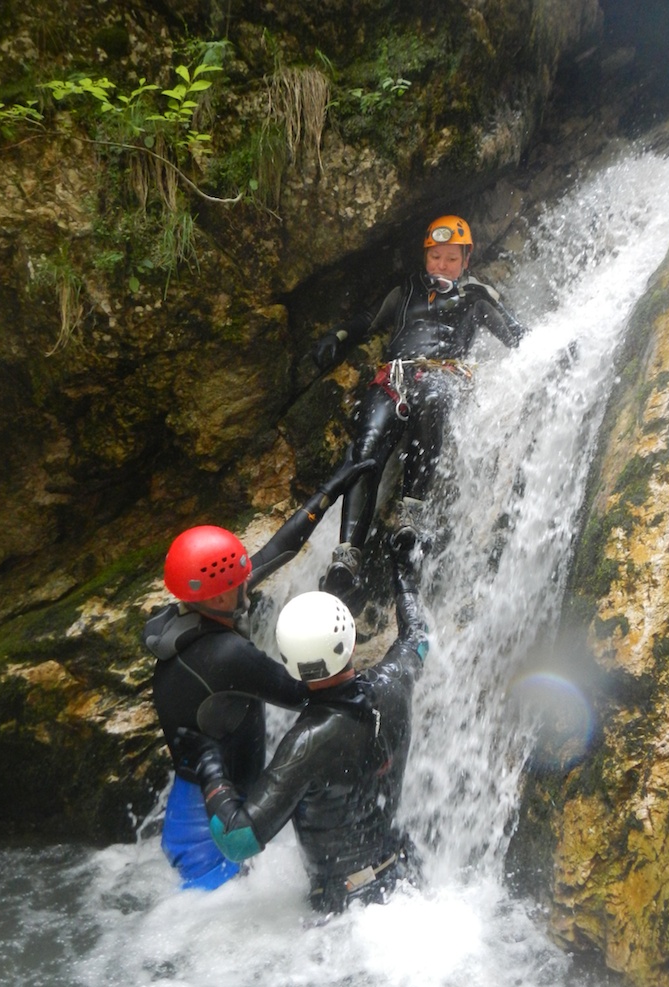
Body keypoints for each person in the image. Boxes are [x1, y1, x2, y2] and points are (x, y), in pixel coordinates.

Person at [143, 459, 371, 890]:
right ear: (221, 593)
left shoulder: (194, 614)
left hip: (201, 807)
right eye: (239, 579)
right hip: (210, 837)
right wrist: (337, 619)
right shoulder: (226, 654)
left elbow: (277, 551)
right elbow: (309, 693)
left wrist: (331, 490)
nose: (247, 581)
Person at [174, 541, 429, 914]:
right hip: (406, 876)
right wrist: (404, 576)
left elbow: (237, 840)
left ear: (289, 663)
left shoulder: (305, 744)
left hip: (345, 908)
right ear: (351, 642)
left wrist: (209, 766)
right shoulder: (396, 681)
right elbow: (417, 639)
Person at [312, 214, 525, 603]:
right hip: (393, 378)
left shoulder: (476, 295)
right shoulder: (406, 290)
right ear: (425, 256)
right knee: (366, 448)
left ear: (466, 259)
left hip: (442, 377)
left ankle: (411, 516)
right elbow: (367, 320)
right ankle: (346, 558)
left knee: (432, 401)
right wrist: (336, 336)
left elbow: (517, 335)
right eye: (435, 257)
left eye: (451, 259)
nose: (441, 265)